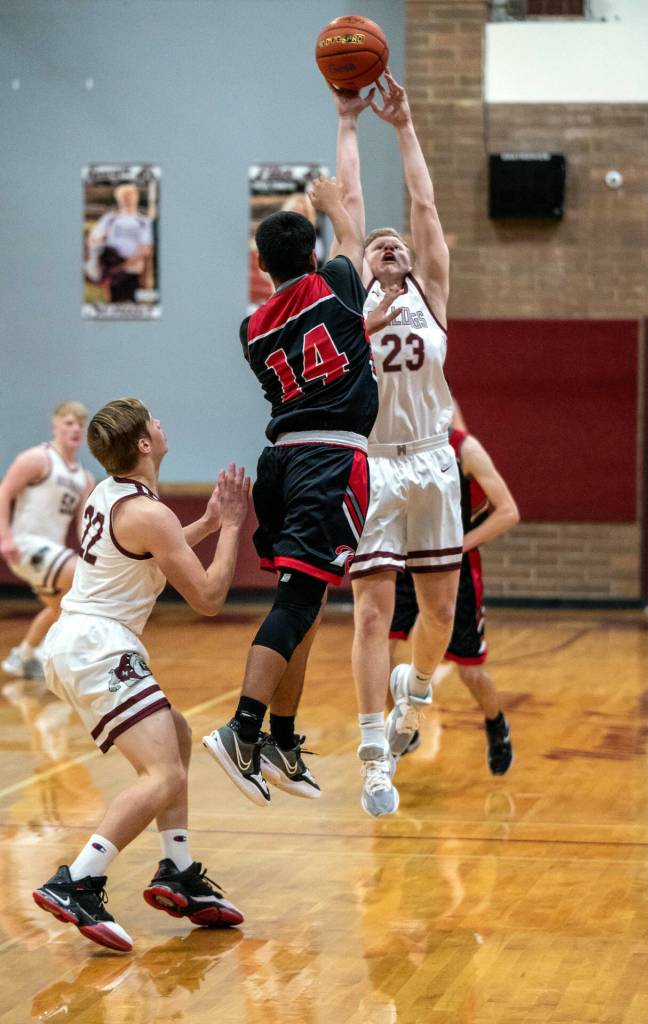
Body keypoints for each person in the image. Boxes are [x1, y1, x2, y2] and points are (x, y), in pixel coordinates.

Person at [31, 398, 250, 952]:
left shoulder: (112, 495)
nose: (162, 422)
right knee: (162, 775)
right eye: (154, 419)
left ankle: (177, 870)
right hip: (97, 646)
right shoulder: (148, 512)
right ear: (145, 445)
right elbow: (208, 598)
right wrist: (230, 529)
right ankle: (79, 881)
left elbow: (155, 549)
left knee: (174, 734)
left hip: (83, 640)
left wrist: (204, 519)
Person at [202, 175, 378, 807]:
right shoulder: (333, 283)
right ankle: (241, 730)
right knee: (300, 607)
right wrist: (332, 207)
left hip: (280, 459)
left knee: (304, 608)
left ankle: (280, 737)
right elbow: (354, 239)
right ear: (311, 258)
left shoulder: (251, 327)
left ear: (260, 265)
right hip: (328, 461)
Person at [332, 74, 462, 816]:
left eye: (395, 243)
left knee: (437, 615)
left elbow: (423, 206)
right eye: (375, 244)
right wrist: (346, 124)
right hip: (375, 464)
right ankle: (374, 754)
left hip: (433, 458)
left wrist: (403, 125)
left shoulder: (431, 294)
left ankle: (414, 695)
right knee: (371, 615)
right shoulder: (353, 305)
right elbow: (349, 210)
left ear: (410, 258)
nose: (386, 243)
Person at [389, 402, 519, 774]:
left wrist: (458, 545)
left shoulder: (462, 448)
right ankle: (403, 724)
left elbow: (509, 511)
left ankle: (496, 724)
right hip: (404, 560)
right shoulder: (390, 445)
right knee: (379, 650)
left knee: (470, 671)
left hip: (454, 570)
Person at [0, 402, 95, 680]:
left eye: (80, 424)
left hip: (52, 552)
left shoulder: (84, 477)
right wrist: (4, 537)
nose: (75, 428)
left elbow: (83, 524)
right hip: (26, 545)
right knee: (86, 581)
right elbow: (4, 492)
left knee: (60, 607)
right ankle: (58, 654)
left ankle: (23, 656)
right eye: (68, 422)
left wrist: (92, 551)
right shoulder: (38, 458)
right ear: (55, 426)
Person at [85, 183, 153, 302]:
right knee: (113, 305)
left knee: (132, 308)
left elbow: (146, 248)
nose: (127, 200)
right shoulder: (110, 218)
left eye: (130, 196)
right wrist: (98, 240)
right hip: (111, 272)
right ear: (118, 199)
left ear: (136, 198)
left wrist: (123, 266)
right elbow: (92, 239)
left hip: (132, 271)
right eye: (123, 197)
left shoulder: (143, 221)